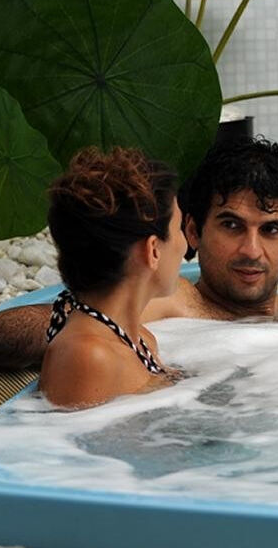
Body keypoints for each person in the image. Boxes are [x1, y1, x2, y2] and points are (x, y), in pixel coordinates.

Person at [0, 137, 278, 384]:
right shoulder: (175, 304)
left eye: (271, 230)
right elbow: (64, 319)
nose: (251, 250)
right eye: (232, 225)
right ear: (194, 232)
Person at [38, 147, 186, 408]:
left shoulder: (140, 341)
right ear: (153, 250)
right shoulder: (88, 357)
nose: (185, 246)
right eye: (179, 230)